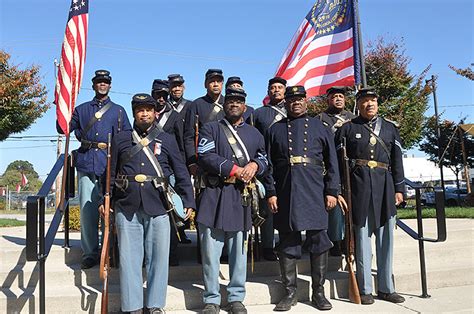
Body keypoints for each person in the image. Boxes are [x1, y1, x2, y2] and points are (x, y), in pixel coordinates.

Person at [108, 93, 195, 313]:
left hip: (158, 205)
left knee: (158, 259)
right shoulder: (120, 139)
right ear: (134, 113)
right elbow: (109, 172)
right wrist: (106, 198)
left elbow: (181, 171)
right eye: (140, 109)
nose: (144, 113)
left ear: (155, 112)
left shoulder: (167, 139)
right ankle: (132, 306)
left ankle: (155, 304)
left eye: (148, 109)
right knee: (129, 260)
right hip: (127, 206)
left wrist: (188, 199)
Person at [264, 86, 340, 311]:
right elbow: (267, 165)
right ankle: (290, 293)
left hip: (315, 190)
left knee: (318, 239)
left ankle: (319, 292)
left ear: (306, 101)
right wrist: (271, 192)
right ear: (285, 102)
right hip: (286, 190)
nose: (295, 102)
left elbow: (332, 162)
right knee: (288, 240)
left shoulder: (320, 126)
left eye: (299, 99)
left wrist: (332, 191)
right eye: (291, 99)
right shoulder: (275, 129)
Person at [196, 87, 268, 314]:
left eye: (239, 101)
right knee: (210, 253)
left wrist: (255, 165)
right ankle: (211, 298)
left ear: (245, 107)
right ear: (225, 105)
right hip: (214, 195)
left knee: (239, 252)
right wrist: (236, 169)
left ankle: (236, 297)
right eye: (231, 101)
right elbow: (205, 156)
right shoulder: (210, 128)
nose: (234, 104)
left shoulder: (255, 134)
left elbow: (265, 159)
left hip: (241, 197)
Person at [335, 87, 406, 305]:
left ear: (378, 103)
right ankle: (364, 288)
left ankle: (386, 288)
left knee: (386, 241)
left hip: (385, 189)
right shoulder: (347, 129)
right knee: (363, 242)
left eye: (373, 100)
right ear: (358, 104)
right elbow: (337, 164)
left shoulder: (390, 129)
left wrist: (399, 188)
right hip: (359, 190)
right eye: (365, 100)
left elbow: (397, 161)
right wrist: (338, 190)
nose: (369, 104)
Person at [57, 69, 132, 269]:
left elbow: (126, 139)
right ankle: (90, 252)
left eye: (105, 82)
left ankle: (110, 248)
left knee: (110, 209)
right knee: (87, 210)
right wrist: (61, 110)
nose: (102, 84)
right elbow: (63, 128)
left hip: (111, 164)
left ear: (110, 85)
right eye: (99, 81)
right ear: (93, 85)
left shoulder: (119, 111)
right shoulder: (81, 110)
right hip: (87, 162)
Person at [252, 76, 288, 261]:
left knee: (286, 205)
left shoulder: (292, 111)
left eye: (279, 87)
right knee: (267, 206)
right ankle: (267, 245)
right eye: (272, 87)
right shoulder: (259, 114)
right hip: (265, 163)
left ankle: (286, 243)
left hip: (286, 164)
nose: (276, 90)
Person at [318, 86, 356, 256]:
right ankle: (334, 241)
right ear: (328, 100)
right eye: (334, 97)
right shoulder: (320, 118)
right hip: (329, 167)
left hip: (350, 167)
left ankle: (351, 240)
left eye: (341, 96)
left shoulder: (354, 118)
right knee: (333, 205)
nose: (338, 99)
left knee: (352, 205)